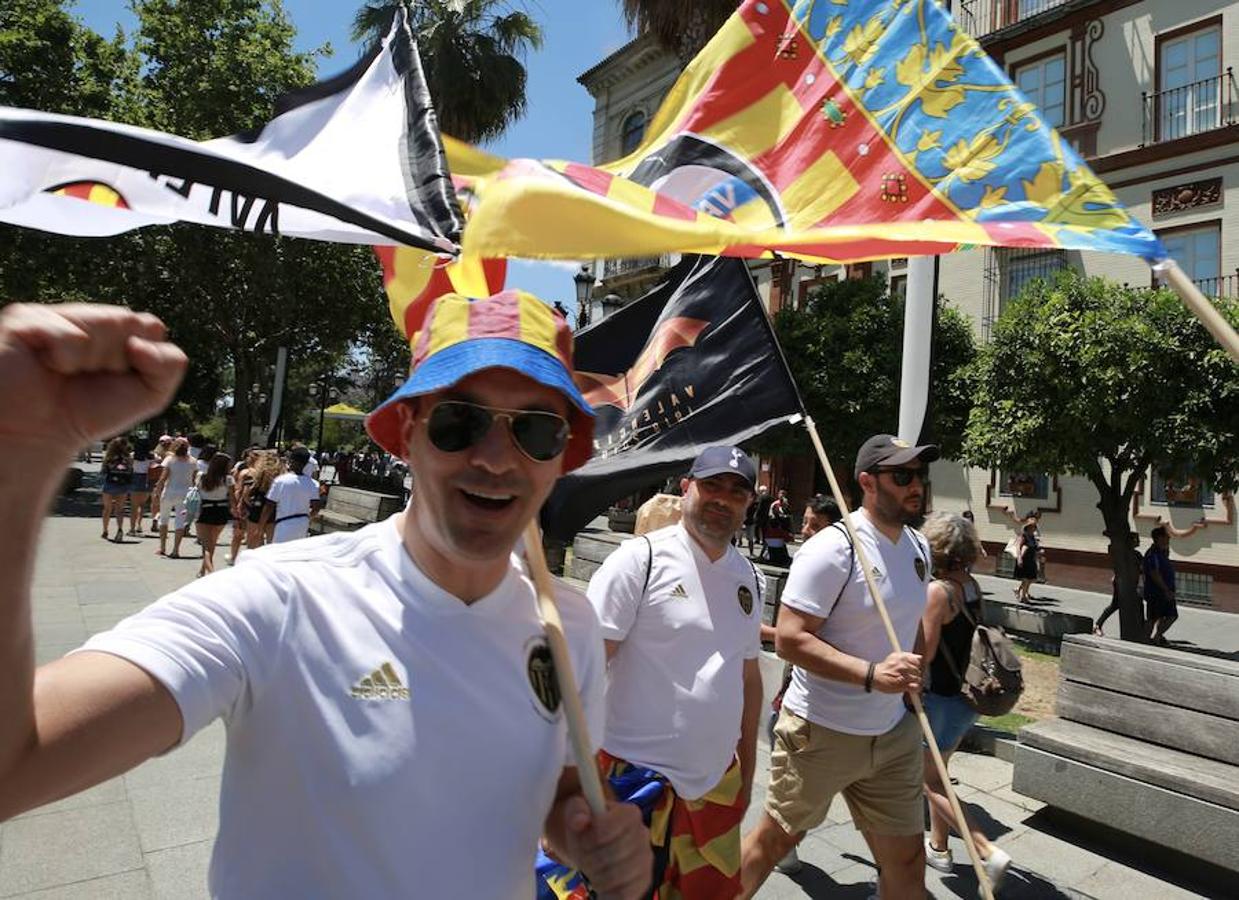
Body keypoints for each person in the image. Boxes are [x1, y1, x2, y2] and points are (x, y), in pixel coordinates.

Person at [0, 296, 650, 898]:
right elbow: (17, 764)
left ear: (562, 455)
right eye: (460, 421)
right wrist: (21, 456)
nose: (495, 458)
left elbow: (554, 788)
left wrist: (585, 833)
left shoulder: (567, 622)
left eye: (534, 431)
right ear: (407, 431)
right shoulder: (279, 598)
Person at [543, 447, 765, 898]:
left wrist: (747, 772)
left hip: (714, 785)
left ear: (749, 504)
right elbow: (580, 673)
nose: (723, 499)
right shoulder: (639, 561)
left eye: (737, 491)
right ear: (686, 488)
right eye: (712, 486)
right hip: (630, 783)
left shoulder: (750, 578)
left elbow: (748, 680)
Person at [740, 434, 937, 900]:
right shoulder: (834, 548)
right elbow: (790, 638)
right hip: (821, 731)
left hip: (892, 734)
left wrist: (917, 668)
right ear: (867, 482)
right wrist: (871, 675)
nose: (916, 486)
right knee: (774, 843)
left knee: (907, 862)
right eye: (903, 476)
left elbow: (913, 624)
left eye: (920, 476)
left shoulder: (917, 547)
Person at [918, 513, 1013, 889]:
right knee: (940, 772)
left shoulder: (938, 592)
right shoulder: (972, 586)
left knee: (930, 783)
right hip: (967, 699)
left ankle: (986, 851)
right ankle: (939, 847)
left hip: (939, 698)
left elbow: (923, 654)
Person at [761, 491, 842, 878]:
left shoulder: (830, 567)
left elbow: (800, 637)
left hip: (810, 696)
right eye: (805, 522)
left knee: (795, 782)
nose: (805, 530)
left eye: (814, 524)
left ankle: (781, 846)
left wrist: (764, 631)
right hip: (799, 685)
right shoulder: (811, 561)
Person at [262, 446, 322, 543]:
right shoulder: (313, 484)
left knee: (281, 552)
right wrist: (308, 518)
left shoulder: (280, 481)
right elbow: (316, 507)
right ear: (306, 463)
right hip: (302, 524)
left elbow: (269, 505)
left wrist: (261, 526)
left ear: (291, 461)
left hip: (284, 523)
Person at [154, 437, 195, 558]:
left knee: (164, 519)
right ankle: (176, 550)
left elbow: (163, 478)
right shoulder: (193, 461)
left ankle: (162, 548)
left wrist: (157, 491)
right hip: (185, 494)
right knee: (180, 522)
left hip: (169, 492)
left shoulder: (170, 460)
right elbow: (194, 479)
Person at [1095, 532, 1142, 637]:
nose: (1139, 541)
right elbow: (1111, 552)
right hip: (1120, 583)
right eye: (1136, 539)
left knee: (1133, 605)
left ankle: (1137, 631)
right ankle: (1097, 625)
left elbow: (1142, 569)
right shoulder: (1123, 554)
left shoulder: (1137, 555)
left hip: (1132, 585)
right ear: (1130, 541)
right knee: (1116, 604)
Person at [194, 452, 233, 577]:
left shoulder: (201, 477)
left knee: (206, 546)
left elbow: (196, 491)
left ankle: (211, 573)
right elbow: (232, 498)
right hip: (221, 511)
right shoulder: (228, 479)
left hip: (205, 510)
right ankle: (202, 570)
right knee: (212, 543)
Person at [1143, 526, 1178, 646]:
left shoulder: (1162, 552)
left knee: (1167, 616)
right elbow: (1154, 573)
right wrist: (1166, 590)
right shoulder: (1152, 554)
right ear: (1159, 538)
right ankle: (1147, 640)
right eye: (1166, 536)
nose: (1169, 538)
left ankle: (1156, 637)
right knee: (1154, 617)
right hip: (1157, 592)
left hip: (1164, 591)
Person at [100, 436, 134, 542]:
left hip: (110, 484)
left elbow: (103, 471)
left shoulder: (109, 457)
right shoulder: (128, 458)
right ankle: (120, 529)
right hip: (123, 485)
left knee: (107, 509)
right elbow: (131, 472)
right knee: (119, 509)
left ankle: (105, 530)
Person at [127, 437, 153, 536]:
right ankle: (139, 525)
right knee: (142, 505)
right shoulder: (152, 456)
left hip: (135, 478)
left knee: (134, 506)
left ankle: (132, 528)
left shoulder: (132, 456)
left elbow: (129, 467)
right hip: (147, 479)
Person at [146, 435, 171, 532]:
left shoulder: (154, 454)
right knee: (164, 504)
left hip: (154, 480)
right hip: (167, 481)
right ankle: (158, 518)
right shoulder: (171, 456)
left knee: (154, 503)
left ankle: (154, 518)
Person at [1012, 519, 1039, 603]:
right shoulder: (1024, 536)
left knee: (1031, 579)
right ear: (1028, 527)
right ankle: (1023, 597)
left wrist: (1038, 556)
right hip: (1024, 559)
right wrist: (1019, 558)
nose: (1034, 528)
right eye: (1032, 526)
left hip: (1031, 559)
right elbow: (1018, 547)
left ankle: (1018, 590)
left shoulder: (1033, 537)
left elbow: (1034, 548)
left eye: (1035, 526)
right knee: (1026, 579)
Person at [764, 490, 793, 566]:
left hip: (779, 530)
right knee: (774, 546)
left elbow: (787, 514)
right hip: (774, 527)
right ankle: (775, 560)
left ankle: (779, 559)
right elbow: (777, 516)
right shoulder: (776, 505)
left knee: (778, 546)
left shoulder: (783, 505)